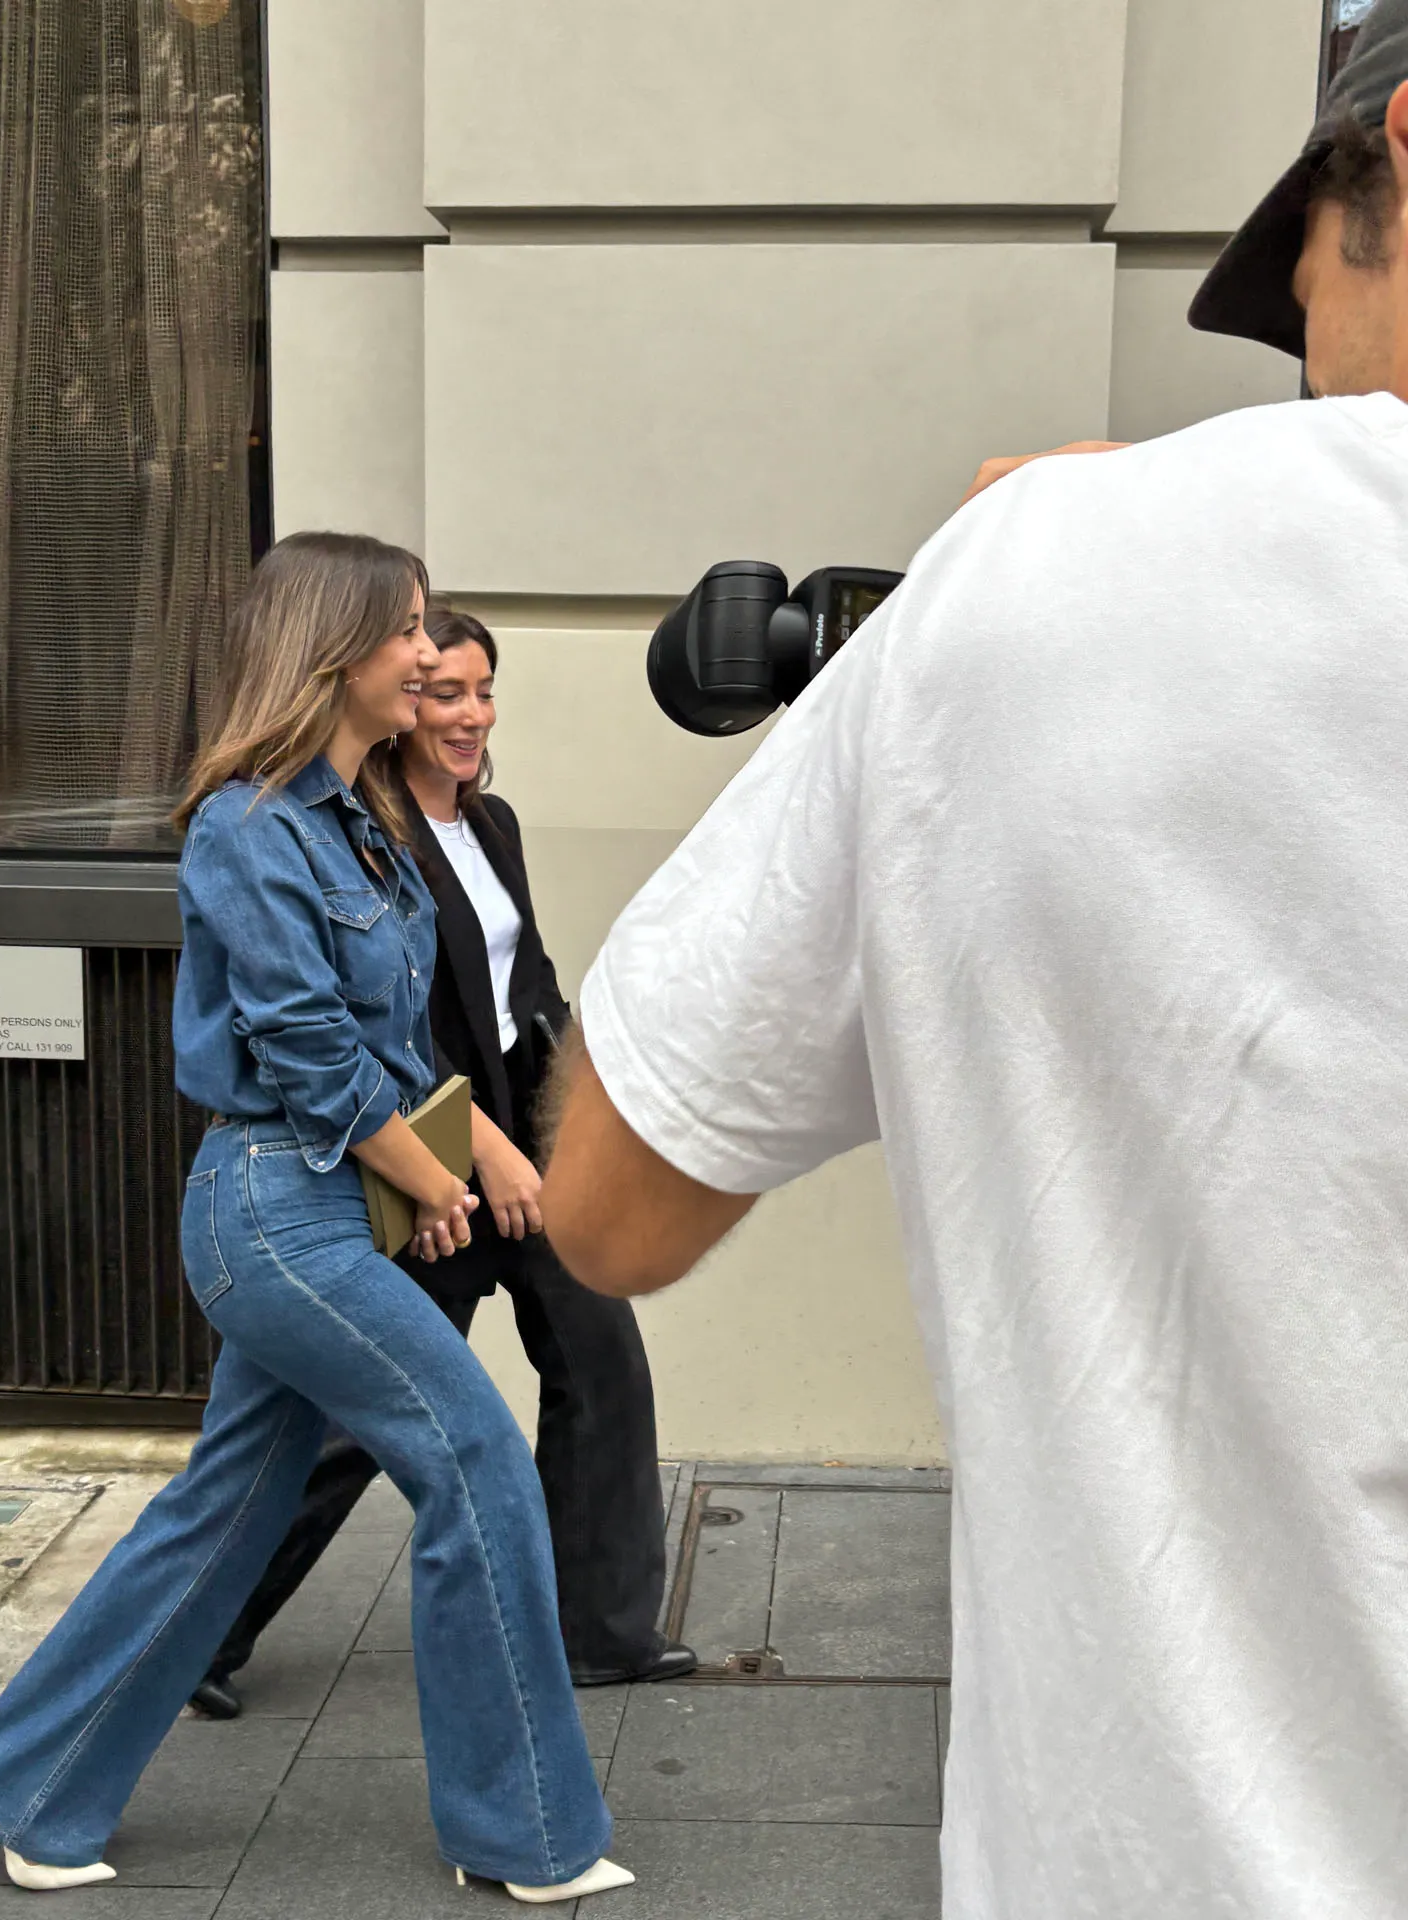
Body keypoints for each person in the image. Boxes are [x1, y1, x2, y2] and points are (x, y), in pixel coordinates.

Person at [538, 7, 1408, 1916]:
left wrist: (1027, 603)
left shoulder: (1045, 582)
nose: (1308, 380)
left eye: (1305, 304)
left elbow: (612, 1200)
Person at [0, 532, 631, 1905]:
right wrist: (442, 1177)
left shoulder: (364, 831)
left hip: (335, 1201)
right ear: (335, 651)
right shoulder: (249, 827)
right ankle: (525, 1837)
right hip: (275, 1211)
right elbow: (311, 1051)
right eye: (402, 632)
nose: (424, 655)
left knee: (226, 1506)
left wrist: (425, 1171)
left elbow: (396, 1047)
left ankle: (38, 1795)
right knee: (474, 1460)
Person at [190, 601, 693, 1720]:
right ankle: (199, 1638)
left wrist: (584, 1117)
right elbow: (385, 1035)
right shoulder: (361, 842)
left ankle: (603, 1632)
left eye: (481, 691)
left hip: (529, 1151)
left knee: (600, 1361)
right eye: (441, 692)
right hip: (430, 1160)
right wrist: (461, 1163)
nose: (468, 715)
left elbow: (525, 989)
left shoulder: (490, 821)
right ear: (393, 706)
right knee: (342, 1429)